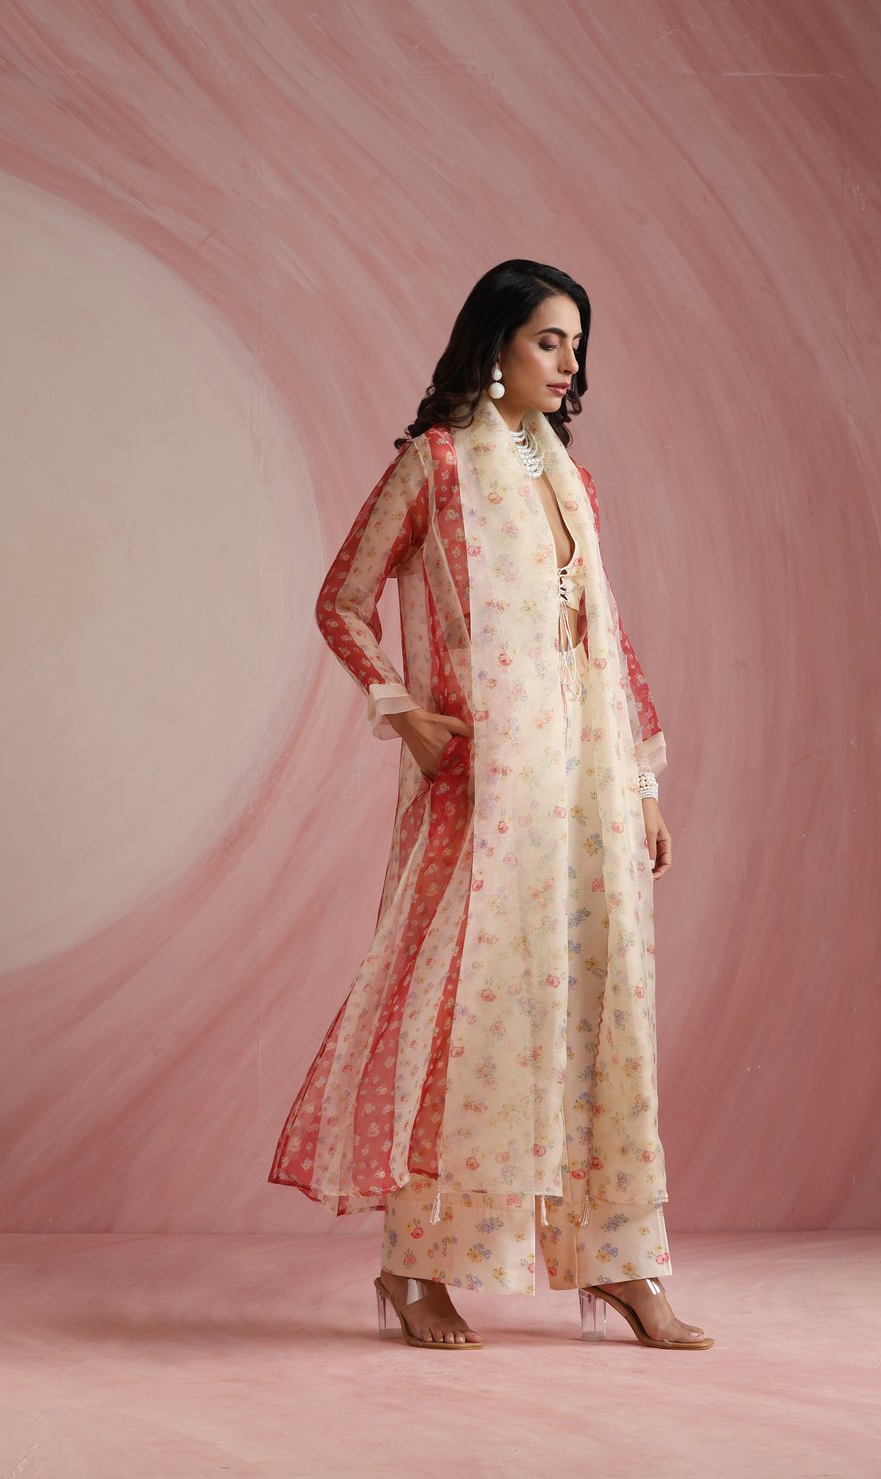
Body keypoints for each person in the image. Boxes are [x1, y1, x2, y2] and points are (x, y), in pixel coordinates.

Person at [268, 259, 713, 1352]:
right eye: (549, 340)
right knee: (466, 1019)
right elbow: (342, 600)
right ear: (495, 343)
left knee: (600, 1010)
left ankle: (619, 1261)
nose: (569, 364)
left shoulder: (571, 479)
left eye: (576, 345)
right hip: (485, 788)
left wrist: (642, 786)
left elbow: (603, 640)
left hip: (585, 790)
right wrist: (401, 711)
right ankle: (415, 1267)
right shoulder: (433, 466)